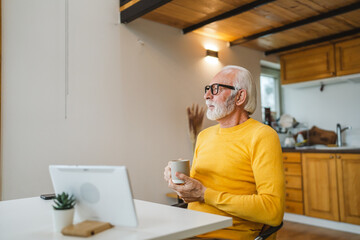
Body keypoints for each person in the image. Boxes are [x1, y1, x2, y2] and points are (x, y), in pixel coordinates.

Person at [164, 65, 285, 240]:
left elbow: (273, 210)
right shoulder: (204, 136)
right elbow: (196, 195)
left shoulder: (263, 136)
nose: (206, 96)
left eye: (216, 89)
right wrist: (181, 184)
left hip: (226, 235)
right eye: (207, 89)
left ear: (240, 96)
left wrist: (205, 194)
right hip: (187, 231)